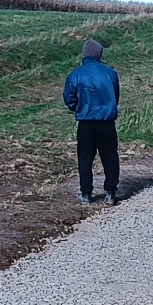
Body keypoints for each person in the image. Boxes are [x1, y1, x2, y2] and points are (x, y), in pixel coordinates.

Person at [63, 38, 120, 204]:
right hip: (107, 122)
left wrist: (78, 108)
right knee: (110, 156)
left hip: (86, 123)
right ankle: (110, 192)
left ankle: (86, 193)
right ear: (99, 54)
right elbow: (115, 96)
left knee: (85, 158)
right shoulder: (110, 73)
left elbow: (69, 98)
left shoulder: (76, 74)